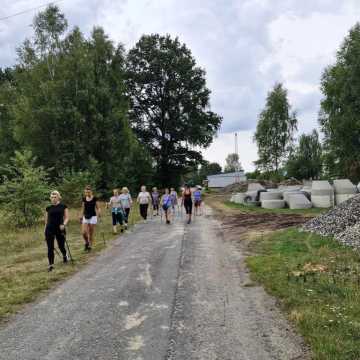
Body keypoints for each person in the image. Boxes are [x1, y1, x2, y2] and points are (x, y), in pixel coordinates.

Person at [44, 190, 69, 272]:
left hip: (60, 228)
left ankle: (65, 256)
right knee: (50, 247)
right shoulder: (48, 208)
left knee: (61, 245)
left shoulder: (63, 206)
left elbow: (67, 218)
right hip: (50, 229)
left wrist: (64, 224)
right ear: (50, 198)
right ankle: (51, 265)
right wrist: (45, 231)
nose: (53, 199)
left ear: (58, 197)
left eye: (55, 197)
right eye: (52, 197)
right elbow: (46, 221)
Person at [80, 185, 100, 251]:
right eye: (86, 192)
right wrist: (81, 215)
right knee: (84, 232)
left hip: (93, 216)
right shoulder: (84, 199)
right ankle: (86, 242)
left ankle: (90, 246)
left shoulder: (95, 198)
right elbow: (83, 208)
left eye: (88, 192)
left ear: (91, 192)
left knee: (90, 232)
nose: (87, 193)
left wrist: (99, 213)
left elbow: (98, 207)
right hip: (85, 216)